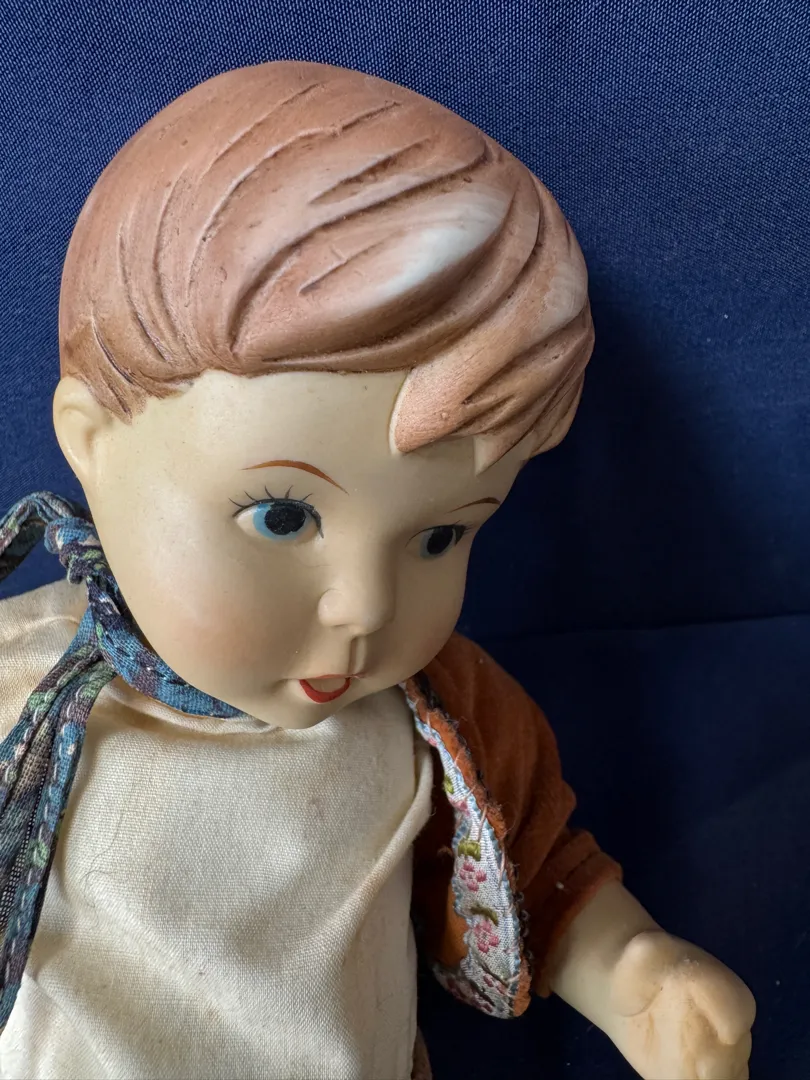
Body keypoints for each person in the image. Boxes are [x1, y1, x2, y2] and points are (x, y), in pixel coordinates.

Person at [0, 60, 754, 1079]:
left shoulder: (440, 718)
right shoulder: (17, 683)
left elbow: (542, 871)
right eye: (282, 516)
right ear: (91, 442)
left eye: (441, 537)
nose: (366, 607)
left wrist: (636, 977)